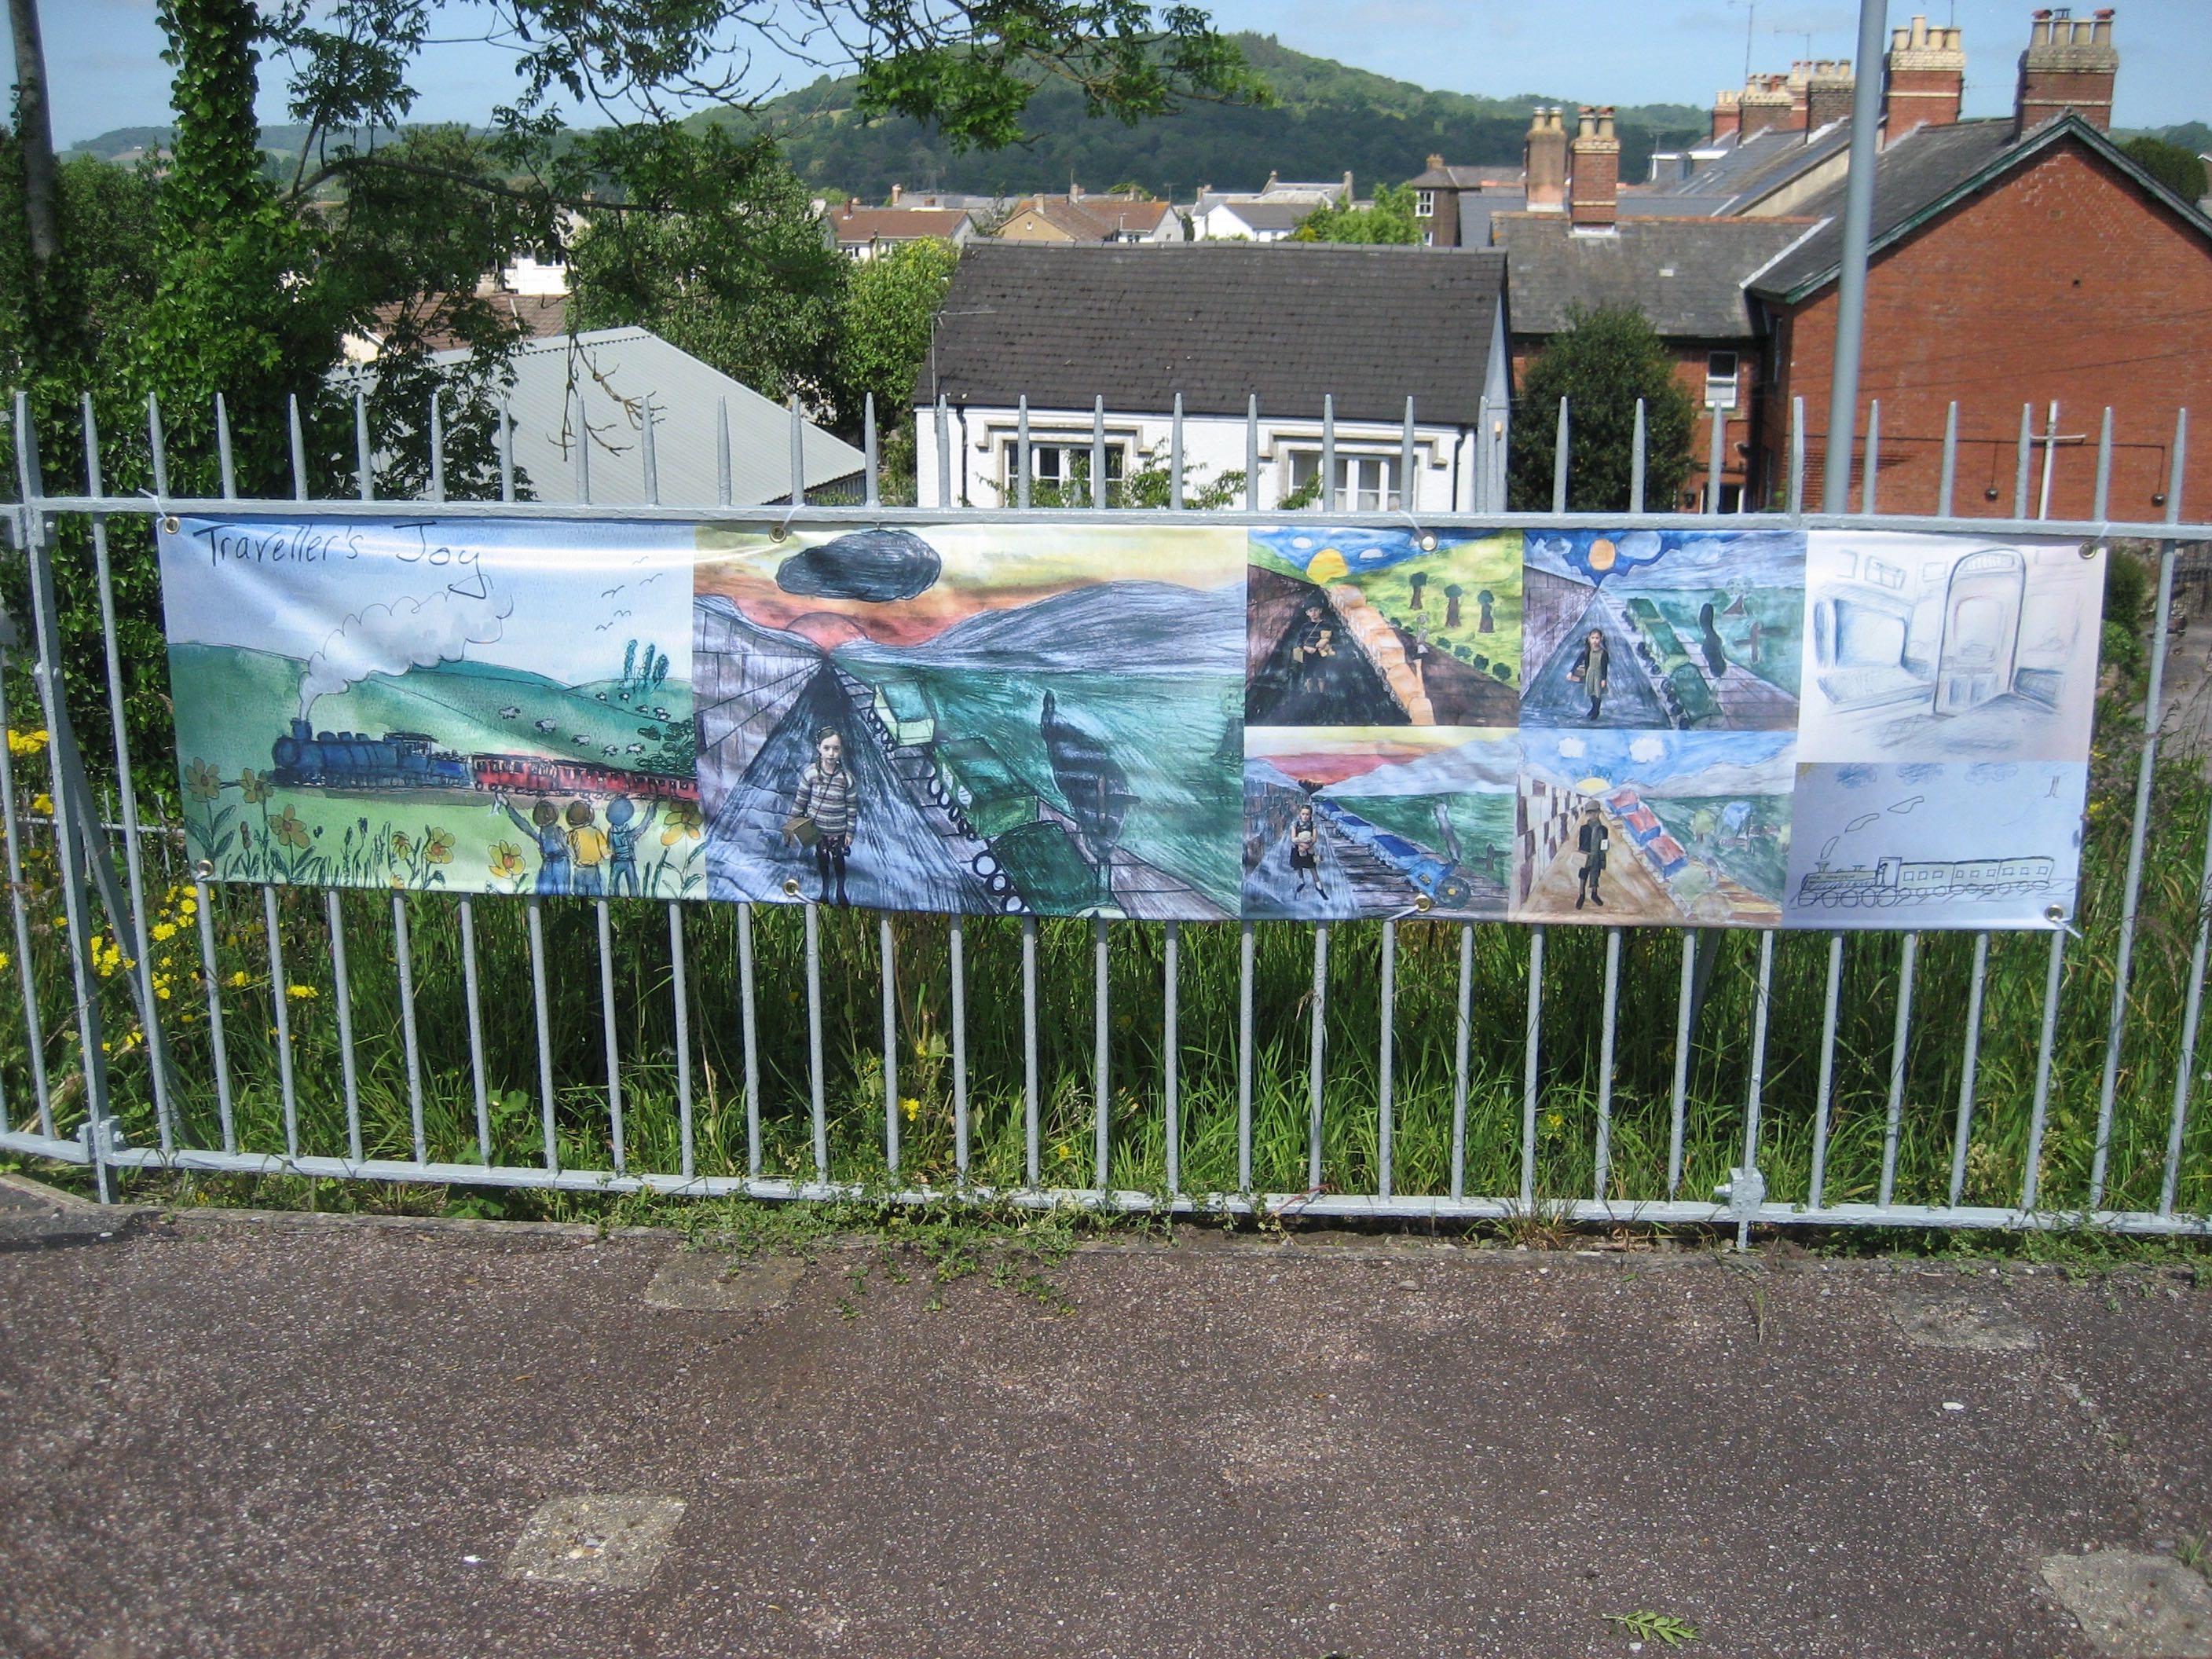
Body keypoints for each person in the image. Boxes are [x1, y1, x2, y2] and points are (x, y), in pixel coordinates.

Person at [790, 724, 858, 905]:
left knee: (839, 861)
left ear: (841, 751)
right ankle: (825, 890)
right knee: (822, 860)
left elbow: (852, 807)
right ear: (818, 748)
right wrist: (792, 823)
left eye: (836, 749)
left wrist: (850, 833)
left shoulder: (846, 778)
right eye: (827, 748)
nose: (831, 754)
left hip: (838, 830)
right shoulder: (811, 773)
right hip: (818, 830)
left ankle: (841, 891)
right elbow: (801, 800)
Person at [500, 796, 570, 895]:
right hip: (552, 863)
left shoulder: (552, 831)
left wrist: (508, 807)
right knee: (545, 889)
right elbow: (524, 826)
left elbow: (525, 826)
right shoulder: (544, 831)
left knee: (558, 890)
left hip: (559, 862)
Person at [605, 794, 660, 897]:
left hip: (617, 861)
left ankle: (614, 897)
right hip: (626, 861)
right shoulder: (627, 834)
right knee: (632, 884)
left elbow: (610, 847)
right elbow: (642, 827)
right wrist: (651, 811)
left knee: (614, 884)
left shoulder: (611, 832)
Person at [566, 799, 610, 897]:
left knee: (580, 891)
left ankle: (582, 910)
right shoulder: (595, 832)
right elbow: (605, 852)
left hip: (578, 868)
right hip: (592, 868)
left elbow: (569, 850)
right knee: (595, 890)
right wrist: (608, 855)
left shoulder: (572, 834)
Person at [1566, 626, 1610, 721]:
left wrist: (1604, 678)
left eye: (1597, 638)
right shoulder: (1587, 651)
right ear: (1589, 639)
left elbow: (1604, 667)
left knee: (1598, 693)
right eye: (1593, 638)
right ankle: (1593, 708)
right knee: (1591, 692)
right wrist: (1571, 671)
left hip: (1598, 675)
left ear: (1601, 639)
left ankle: (1596, 711)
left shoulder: (1603, 653)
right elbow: (1578, 662)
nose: (1595, 640)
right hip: (1590, 674)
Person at [1288, 801, 1328, 899]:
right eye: (1303, 814)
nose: (1305, 816)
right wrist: (1301, 843)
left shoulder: (1313, 825)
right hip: (1297, 848)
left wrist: (1309, 844)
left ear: (1310, 815)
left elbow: (1314, 838)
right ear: (1300, 814)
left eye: (1307, 814)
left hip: (1309, 848)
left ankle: (1319, 888)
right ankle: (1302, 882)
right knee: (1298, 866)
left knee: (1312, 868)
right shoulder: (1295, 824)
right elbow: (1293, 838)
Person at [1576, 801, 1610, 910]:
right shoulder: (1584, 828)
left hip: (1597, 856)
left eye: (1594, 812)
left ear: (1598, 813)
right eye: (1589, 813)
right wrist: (1582, 854)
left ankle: (1594, 894)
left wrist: (1604, 849)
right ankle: (1581, 895)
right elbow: (1581, 843)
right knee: (1583, 875)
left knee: (1595, 874)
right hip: (1586, 855)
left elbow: (1604, 843)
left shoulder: (1603, 829)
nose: (1592, 815)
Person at [1699, 601, 1729, 680]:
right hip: (1712, 643)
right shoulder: (1713, 639)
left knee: (1705, 626)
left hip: (1712, 643)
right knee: (1706, 626)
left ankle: (1717, 673)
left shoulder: (1712, 640)